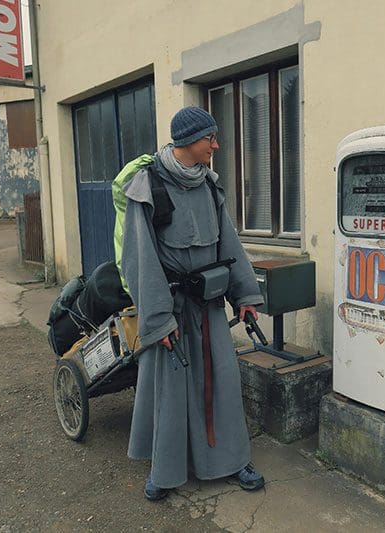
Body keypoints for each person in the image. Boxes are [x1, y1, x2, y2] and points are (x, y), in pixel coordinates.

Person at [121, 106, 265, 501]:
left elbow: (228, 244)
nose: (216, 146)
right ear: (187, 141)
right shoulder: (148, 186)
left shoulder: (209, 186)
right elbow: (139, 260)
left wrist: (245, 295)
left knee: (223, 384)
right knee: (169, 391)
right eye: (209, 138)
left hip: (209, 307)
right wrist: (158, 320)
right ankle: (164, 471)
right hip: (170, 309)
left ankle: (234, 461)